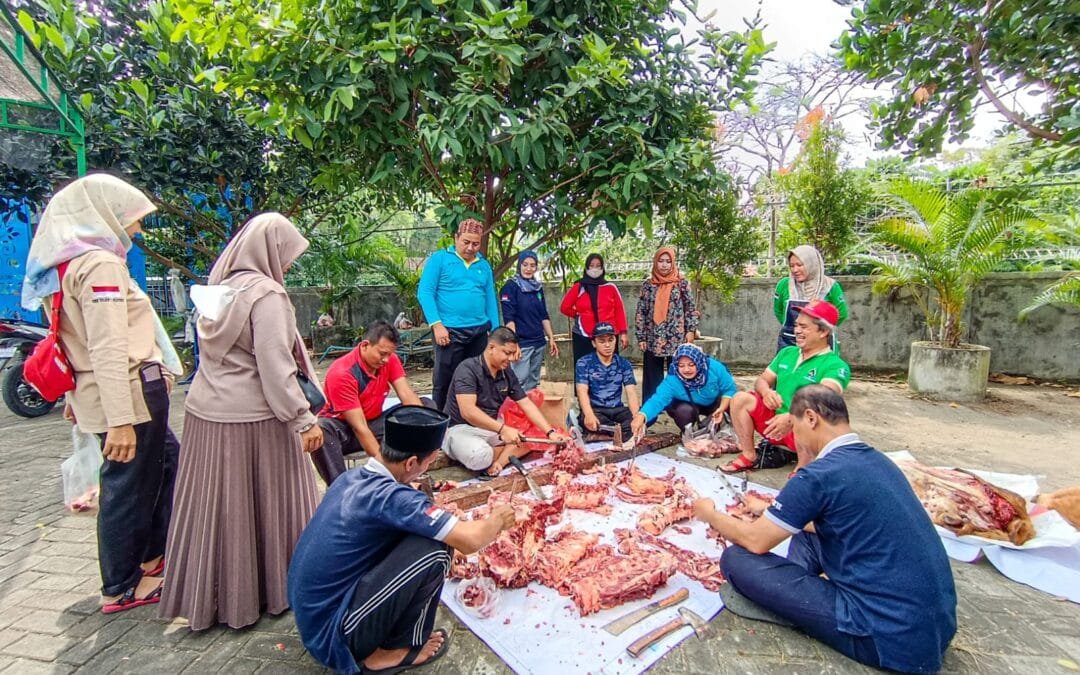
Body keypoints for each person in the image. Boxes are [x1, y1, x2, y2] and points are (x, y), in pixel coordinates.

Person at [693, 386, 956, 672]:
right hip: (934, 630)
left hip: (883, 638)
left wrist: (710, 514)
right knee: (808, 531)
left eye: (794, 427)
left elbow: (755, 541)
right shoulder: (878, 460)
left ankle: (788, 603)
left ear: (811, 418)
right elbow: (841, 518)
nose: (796, 439)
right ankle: (790, 593)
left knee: (736, 560)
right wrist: (766, 510)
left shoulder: (818, 475)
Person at [21, 174, 177, 613]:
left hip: (102, 391)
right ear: (105, 214)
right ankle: (123, 585)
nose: (137, 231)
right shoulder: (100, 265)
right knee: (129, 487)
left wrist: (77, 400)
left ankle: (152, 557)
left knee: (164, 466)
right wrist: (120, 420)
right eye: (132, 220)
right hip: (127, 394)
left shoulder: (65, 264)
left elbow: (71, 339)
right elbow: (108, 346)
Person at [161, 213, 324, 631]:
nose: (288, 265)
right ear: (270, 250)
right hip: (254, 420)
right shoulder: (267, 294)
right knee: (266, 504)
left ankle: (215, 596)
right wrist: (302, 419)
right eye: (287, 255)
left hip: (206, 414)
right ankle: (270, 591)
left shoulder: (221, 289)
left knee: (218, 509)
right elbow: (275, 366)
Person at [289, 405, 516, 674]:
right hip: (334, 635)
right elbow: (470, 540)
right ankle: (397, 648)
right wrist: (498, 520)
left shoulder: (351, 479)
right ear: (410, 463)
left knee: (420, 533)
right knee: (437, 549)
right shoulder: (393, 498)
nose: (427, 468)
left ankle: (378, 636)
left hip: (312, 616)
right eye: (429, 462)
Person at [722, 299, 850, 473]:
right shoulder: (787, 353)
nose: (797, 330)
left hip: (804, 433)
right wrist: (766, 392)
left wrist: (792, 417)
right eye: (797, 325)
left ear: (824, 331)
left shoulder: (835, 365)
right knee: (740, 399)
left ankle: (803, 469)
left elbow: (824, 397)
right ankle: (749, 455)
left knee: (811, 415)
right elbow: (762, 380)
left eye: (804, 327)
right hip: (774, 425)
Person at [311, 320, 437, 485]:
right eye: (381, 353)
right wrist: (387, 470)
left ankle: (411, 471)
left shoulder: (389, 359)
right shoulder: (342, 373)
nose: (385, 359)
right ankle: (342, 488)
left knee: (426, 407)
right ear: (364, 345)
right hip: (345, 431)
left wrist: (424, 431)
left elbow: (406, 394)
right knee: (322, 430)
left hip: (374, 422)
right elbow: (359, 427)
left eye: (389, 354)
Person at [443, 327, 568, 475]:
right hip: (460, 429)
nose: (510, 358)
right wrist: (503, 430)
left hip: (490, 429)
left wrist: (550, 433)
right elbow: (468, 412)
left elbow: (526, 403)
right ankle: (504, 453)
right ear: (491, 348)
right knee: (480, 456)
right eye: (507, 353)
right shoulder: (467, 369)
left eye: (513, 353)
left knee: (532, 436)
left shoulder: (506, 372)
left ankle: (499, 462)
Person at [416, 219, 500, 410]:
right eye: (466, 242)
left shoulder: (483, 265)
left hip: (479, 331)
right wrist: (437, 325)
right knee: (444, 379)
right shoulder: (440, 259)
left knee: (479, 377)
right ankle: (439, 421)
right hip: (449, 332)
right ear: (456, 238)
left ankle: (473, 419)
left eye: (476, 243)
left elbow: (490, 300)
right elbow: (425, 292)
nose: (471, 248)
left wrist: (495, 333)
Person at [631, 343, 737, 438]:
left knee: (735, 402)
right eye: (681, 365)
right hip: (688, 404)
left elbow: (730, 389)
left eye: (691, 365)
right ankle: (688, 434)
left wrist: (722, 409)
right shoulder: (673, 378)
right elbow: (657, 400)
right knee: (683, 412)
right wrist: (641, 416)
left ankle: (715, 430)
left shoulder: (715, 368)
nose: (686, 370)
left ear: (699, 361)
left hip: (714, 402)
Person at [635, 247, 699, 402]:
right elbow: (641, 311)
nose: (664, 265)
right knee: (652, 375)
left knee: (678, 372)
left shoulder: (682, 283)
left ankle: (678, 406)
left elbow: (690, 308)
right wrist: (641, 337)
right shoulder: (648, 285)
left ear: (673, 263)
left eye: (668, 261)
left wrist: (690, 330)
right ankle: (651, 410)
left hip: (676, 337)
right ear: (655, 262)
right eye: (661, 261)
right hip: (653, 337)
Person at [500, 250, 559, 391]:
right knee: (519, 380)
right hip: (522, 343)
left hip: (538, 341)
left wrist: (551, 337)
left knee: (533, 382)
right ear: (519, 265)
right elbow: (509, 319)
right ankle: (513, 411)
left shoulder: (537, 287)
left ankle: (531, 411)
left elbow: (543, 314)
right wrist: (514, 344)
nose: (528, 269)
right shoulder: (510, 287)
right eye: (525, 264)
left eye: (533, 265)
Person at [773, 245, 848, 352]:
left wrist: (819, 330)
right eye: (791, 266)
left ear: (811, 264)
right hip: (789, 341)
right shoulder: (784, 285)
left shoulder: (830, 286)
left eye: (799, 265)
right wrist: (795, 329)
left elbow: (841, 314)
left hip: (820, 343)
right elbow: (778, 311)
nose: (795, 270)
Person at [559, 253, 628, 364]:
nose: (595, 269)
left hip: (608, 335)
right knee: (584, 368)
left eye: (598, 266)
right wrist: (578, 315)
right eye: (592, 265)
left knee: (609, 368)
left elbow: (619, 310)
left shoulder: (610, 287)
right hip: (583, 335)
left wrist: (623, 333)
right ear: (587, 267)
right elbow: (564, 307)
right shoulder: (579, 287)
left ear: (602, 268)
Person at [575, 322, 639, 438]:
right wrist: (589, 414)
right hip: (596, 410)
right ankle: (615, 432)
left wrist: (636, 417)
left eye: (611, 340)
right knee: (591, 421)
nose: (607, 345)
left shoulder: (624, 363)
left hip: (617, 409)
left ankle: (610, 433)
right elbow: (582, 391)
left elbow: (631, 392)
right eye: (602, 341)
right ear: (594, 343)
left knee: (638, 419)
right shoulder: (583, 363)